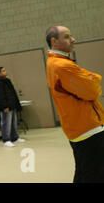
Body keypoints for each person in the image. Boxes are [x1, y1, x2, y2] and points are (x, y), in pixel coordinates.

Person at [45, 26, 104, 183]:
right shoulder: (62, 66)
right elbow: (93, 90)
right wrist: (95, 78)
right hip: (88, 128)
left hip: (80, 127)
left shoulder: (58, 63)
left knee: (85, 171)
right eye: (67, 36)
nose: (73, 39)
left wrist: (91, 78)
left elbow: (89, 81)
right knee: (94, 174)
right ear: (54, 41)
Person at [0, 67, 24, 147]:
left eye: (5, 70)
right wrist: (4, 107)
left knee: (13, 123)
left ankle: (15, 137)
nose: (5, 72)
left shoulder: (8, 81)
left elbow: (13, 93)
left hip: (12, 105)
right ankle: (6, 139)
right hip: (5, 107)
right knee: (6, 123)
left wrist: (17, 104)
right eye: (3, 71)